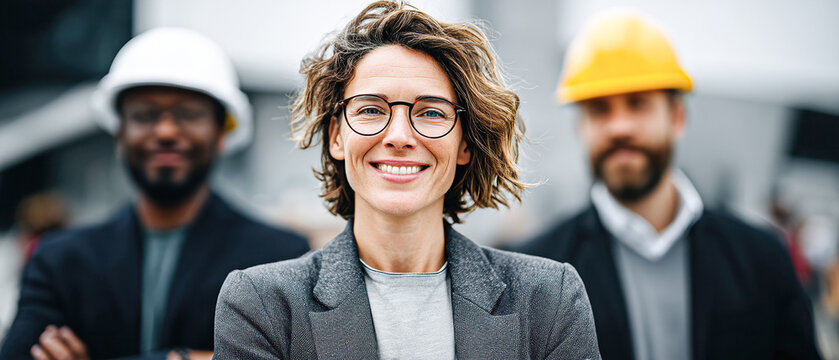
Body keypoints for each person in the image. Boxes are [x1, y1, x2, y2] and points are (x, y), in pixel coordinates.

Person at [212, 2, 601, 359]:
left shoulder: (550, 300)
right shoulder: (260, 305)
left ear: (464, 143)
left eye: (431, 113)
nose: (399, 136)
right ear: (336, 137)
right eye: (371, 109)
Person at [513, 9, 821, 360]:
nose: (620, 128)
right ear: (581, 128)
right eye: (600, 109)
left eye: (637, 104)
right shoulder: (537, 272)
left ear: (677, 117)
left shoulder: (762, 257)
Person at [0, 28, 309, 360]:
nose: (165, 131)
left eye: (188, 114)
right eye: (145, 115)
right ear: (119, 134)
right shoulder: (57, 262)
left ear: (221, 133)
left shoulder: (280, 259)